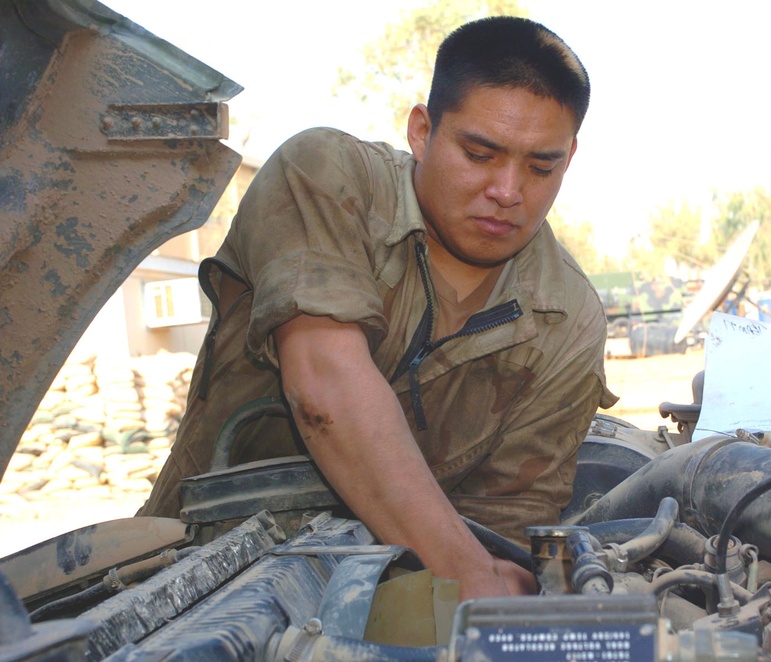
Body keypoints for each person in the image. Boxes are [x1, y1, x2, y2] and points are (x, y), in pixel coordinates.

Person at [138, 16, 616, 600]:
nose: (509, 191)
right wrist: (469, 578)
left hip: (404, 594)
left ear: (568, 160)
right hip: (186, 581)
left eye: (541, 166)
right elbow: (324, 385)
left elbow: (506, 525)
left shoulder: (569, 320)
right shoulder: (325, 176)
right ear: (422, 131)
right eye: (479, 153)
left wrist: (481, 590)